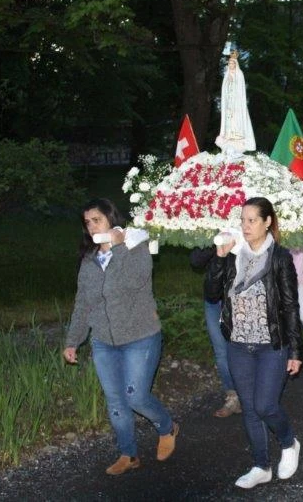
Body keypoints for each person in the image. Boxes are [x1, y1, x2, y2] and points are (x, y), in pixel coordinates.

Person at [63, 198, 178, 476]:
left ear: (111, 220)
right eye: (88, 223)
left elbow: (135, 281)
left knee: (135, 396)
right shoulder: (89, 261)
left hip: (140, 336)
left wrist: (118, 246)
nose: (92, 227)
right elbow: (83, 303)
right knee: (115, 401)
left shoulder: (136, 248)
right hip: (104, 341)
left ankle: (167, 427)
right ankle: (128, 454)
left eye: (97, 220)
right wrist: (72, 340)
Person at [206, 197, 302, 490]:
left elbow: (290, 305)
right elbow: (211, 293)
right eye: (243, 220)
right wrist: (219, 258)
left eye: (252, 220)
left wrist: (296, 350)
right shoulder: (233, 255)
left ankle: (289, 442)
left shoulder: (279, 258)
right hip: (238, 344)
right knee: (249, 408)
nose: (245, 226)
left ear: (267, 222)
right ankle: (261, 465)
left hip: (271, 344)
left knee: (265, 405)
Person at [189, 247, 241, 417]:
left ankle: (251, 394)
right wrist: (216, 244)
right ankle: (233, 396)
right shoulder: (211, 234)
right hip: (213, 300)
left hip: (239, 299)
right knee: (221, 351)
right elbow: (196, 260)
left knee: (242, 349)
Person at [215, 50, 256, 154]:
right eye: (229, 63)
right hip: (229, 102)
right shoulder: (227, 75)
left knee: (237, 119)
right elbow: (224, 89)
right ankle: (228, 135)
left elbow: (240, 89)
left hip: (237, 103)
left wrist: (233, 80)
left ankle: (237, 136)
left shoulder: (239, 74)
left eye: (232, 63)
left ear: (235, 64)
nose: (230, 65)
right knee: (229, 119)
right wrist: (228, 82)